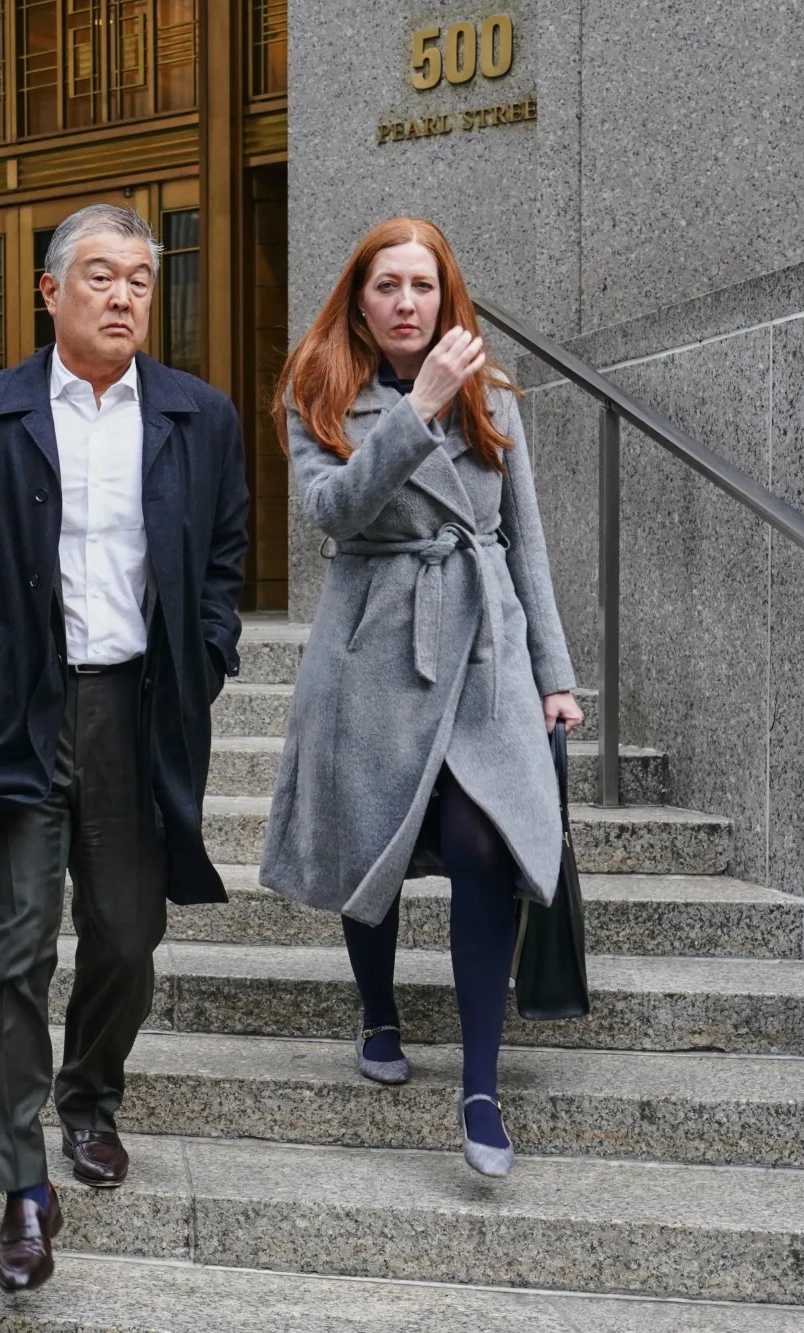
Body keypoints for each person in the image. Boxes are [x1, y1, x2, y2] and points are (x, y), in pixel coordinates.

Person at [0, 203, 250, 1291]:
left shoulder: (200, 416)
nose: (121, 297)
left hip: (138, 709)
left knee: (125, 932)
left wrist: (206, 652)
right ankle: (19, 1185)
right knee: (11, 946)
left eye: (140, 280)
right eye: (98, 276)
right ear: (49, 292)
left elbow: (226, 553)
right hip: (21, 715)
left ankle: (89, 1095)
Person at [260, 217, 583, 1180]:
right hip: (372, 643)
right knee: (377, 833)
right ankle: (379, 1007)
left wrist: (554, 677)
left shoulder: (492, 391)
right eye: (388, 286)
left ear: (447, 297)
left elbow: (525, 538)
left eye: (423, 286)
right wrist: (417, 409)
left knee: (488, 840)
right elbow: (331, 512)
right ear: (358, 300)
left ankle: (479, 1085)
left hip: (482, 640)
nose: (407, 303)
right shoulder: (316, 390)